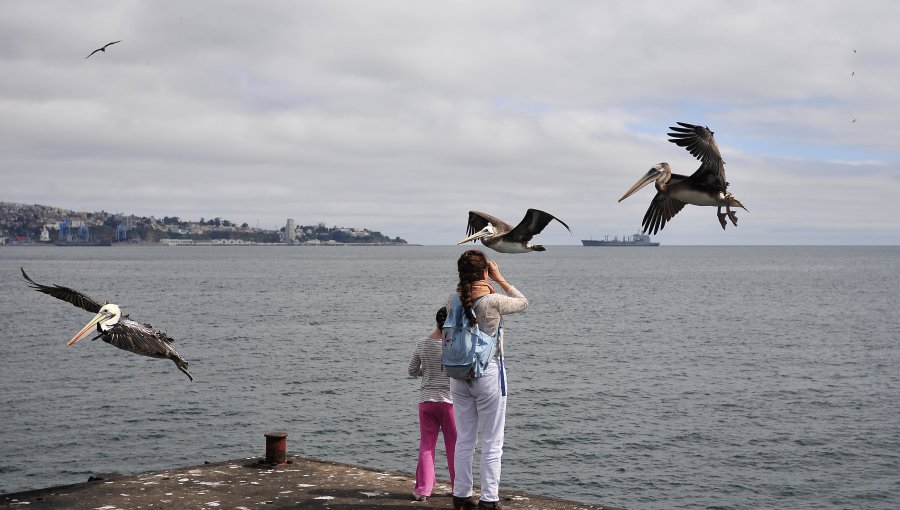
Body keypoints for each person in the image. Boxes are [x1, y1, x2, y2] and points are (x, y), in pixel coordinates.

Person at [448, 249, 528, 510]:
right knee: (493, 441)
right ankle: (489, 500)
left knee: (465, 439)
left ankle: (461, 495)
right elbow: (523, 302)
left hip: (458, 376)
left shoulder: (452, 301)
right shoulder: (493, 301)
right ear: (485, 272)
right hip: (487, 374)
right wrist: (500, 277)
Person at [408, 306, 457, 502]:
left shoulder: (422, 343)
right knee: (455, 447)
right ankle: (458, 488)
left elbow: (412, 370)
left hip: (427, 402)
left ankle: (423, 490)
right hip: (449, 403)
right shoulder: (453, 344)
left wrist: (427, 373)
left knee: (427, 446)